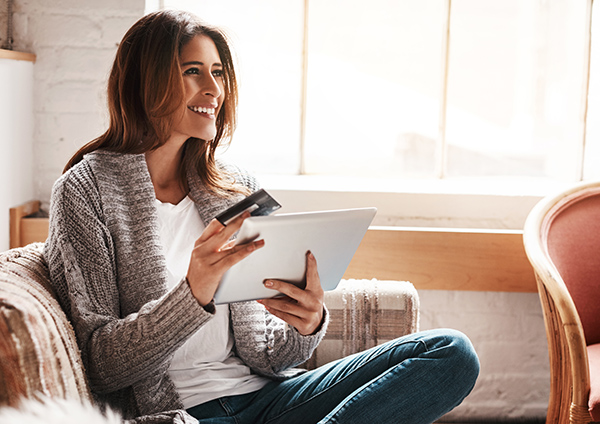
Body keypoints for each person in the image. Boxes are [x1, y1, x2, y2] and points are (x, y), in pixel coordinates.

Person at [44, 9, 480, 424]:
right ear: (145, 81)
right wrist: (192, 293)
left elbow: (272, 354)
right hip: (184, 415)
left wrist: (307, 321)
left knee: (451, 353)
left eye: (217, 73)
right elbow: (100, 366)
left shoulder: (234, 186)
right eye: (192, 71)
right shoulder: (86, 191)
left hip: (271, 399)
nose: (214, 89)